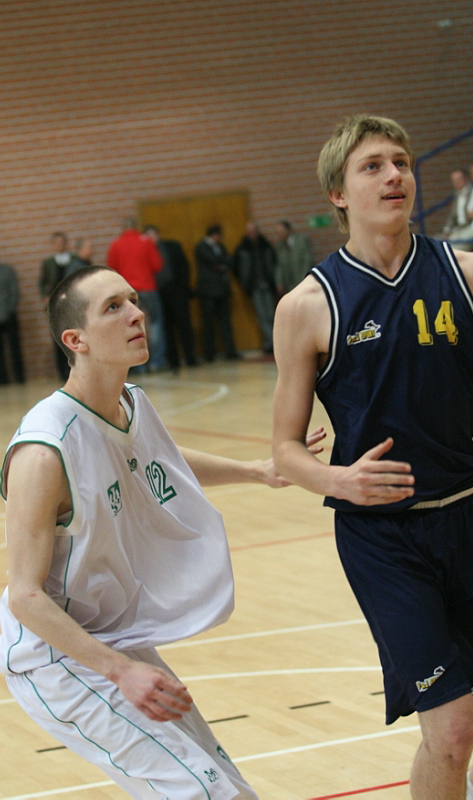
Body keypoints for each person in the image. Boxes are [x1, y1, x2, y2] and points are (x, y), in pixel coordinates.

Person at [272, 114, 473, 800]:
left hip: (472, 518)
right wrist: (339, 479)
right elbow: (284, 450)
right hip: (383, 538)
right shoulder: (308, 305)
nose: (394, 175)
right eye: (373, 166)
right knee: (450, 729)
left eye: (401, 162)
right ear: (338, 194)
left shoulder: (470, 274)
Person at [0, 264, 325, 800]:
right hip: (54, 654)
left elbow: (163, 458)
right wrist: (120, 671)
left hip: (109, 635)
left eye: (133, 300)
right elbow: (25, 597)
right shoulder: (43, 452)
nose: (136, 313)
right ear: (76, 340)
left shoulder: (130, 403)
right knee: (204, 793)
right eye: (113, 307)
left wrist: (256, 470)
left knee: (231, 787)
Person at [107, 218, 166, 371]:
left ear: (123, 228)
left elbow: (111, 269)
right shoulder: (146, 242)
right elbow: (157, 265)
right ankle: (157, 362)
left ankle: (137, 366)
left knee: (129, 326)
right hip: (148, 287)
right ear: (136, 227)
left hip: (126, 292)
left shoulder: (116, 244)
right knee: (155, 323)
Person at [144, 225, 198, 369]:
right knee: (166, 327)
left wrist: (183, 287)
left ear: (158, 235)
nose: (151, 239)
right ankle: (173, 361)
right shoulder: (146, 251)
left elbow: (184, 266)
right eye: (148, 236)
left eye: (153, 235)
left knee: (184, 324)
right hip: (159, 292)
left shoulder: (172, 246)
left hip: (177, 290)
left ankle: (191, 357)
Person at [194, 224, 240, 362]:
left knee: (226, 322)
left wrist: (220, 265)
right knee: (209, 323)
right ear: (214, 234)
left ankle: (230, 351)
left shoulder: (220, 246)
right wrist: (220, 264)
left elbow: (229, 261)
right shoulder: (201, 246)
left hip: (222, 290)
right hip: (208, 291)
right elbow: (212, 260)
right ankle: (209, 353)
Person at [233, 221, 277, 355]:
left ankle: (275, 341)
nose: (252, 233)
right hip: (254, 286)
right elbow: (236, 267)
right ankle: (270, 342)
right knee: (262, 315)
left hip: (267, 284)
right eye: (249, 231)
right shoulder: (242, 248)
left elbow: (274, 262)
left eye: (253, 230)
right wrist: (244, 281)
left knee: (271, 314)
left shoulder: (265, 245)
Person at [38, 231, 76, 380]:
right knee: (58, 337)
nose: (60, 245)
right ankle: (62, 372)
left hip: (72, 302)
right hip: (56, 305)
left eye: (62, 242)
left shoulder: (73, 260)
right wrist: (45, 296)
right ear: (53, 245)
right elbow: (42, 283)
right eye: (57, 243)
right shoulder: (47, 263)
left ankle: (75, 367)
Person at [0, 262, 25, 384]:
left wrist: (9, 309)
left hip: (9, 315)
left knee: (15, 348)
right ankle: (3, 379)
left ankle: (19, 377)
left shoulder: (7, 270)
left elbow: (14, 291)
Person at [274, 220, 314, 295]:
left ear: (287, 230)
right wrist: (279, 282)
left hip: (302, 279)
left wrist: (304, 278)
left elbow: (307, 261)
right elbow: (279, 265)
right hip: (289, 284)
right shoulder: (280, 246)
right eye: (277, 232)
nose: (279, 234)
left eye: (281, 232)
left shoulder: (301, 241)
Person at [440, 168, 473, 241]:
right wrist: (447, 230)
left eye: (459, 179)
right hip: (459, 228)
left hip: (471, 227)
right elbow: (452, 215)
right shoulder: (457, 193)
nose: (456, 182)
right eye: (454, 181)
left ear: (466, 178)